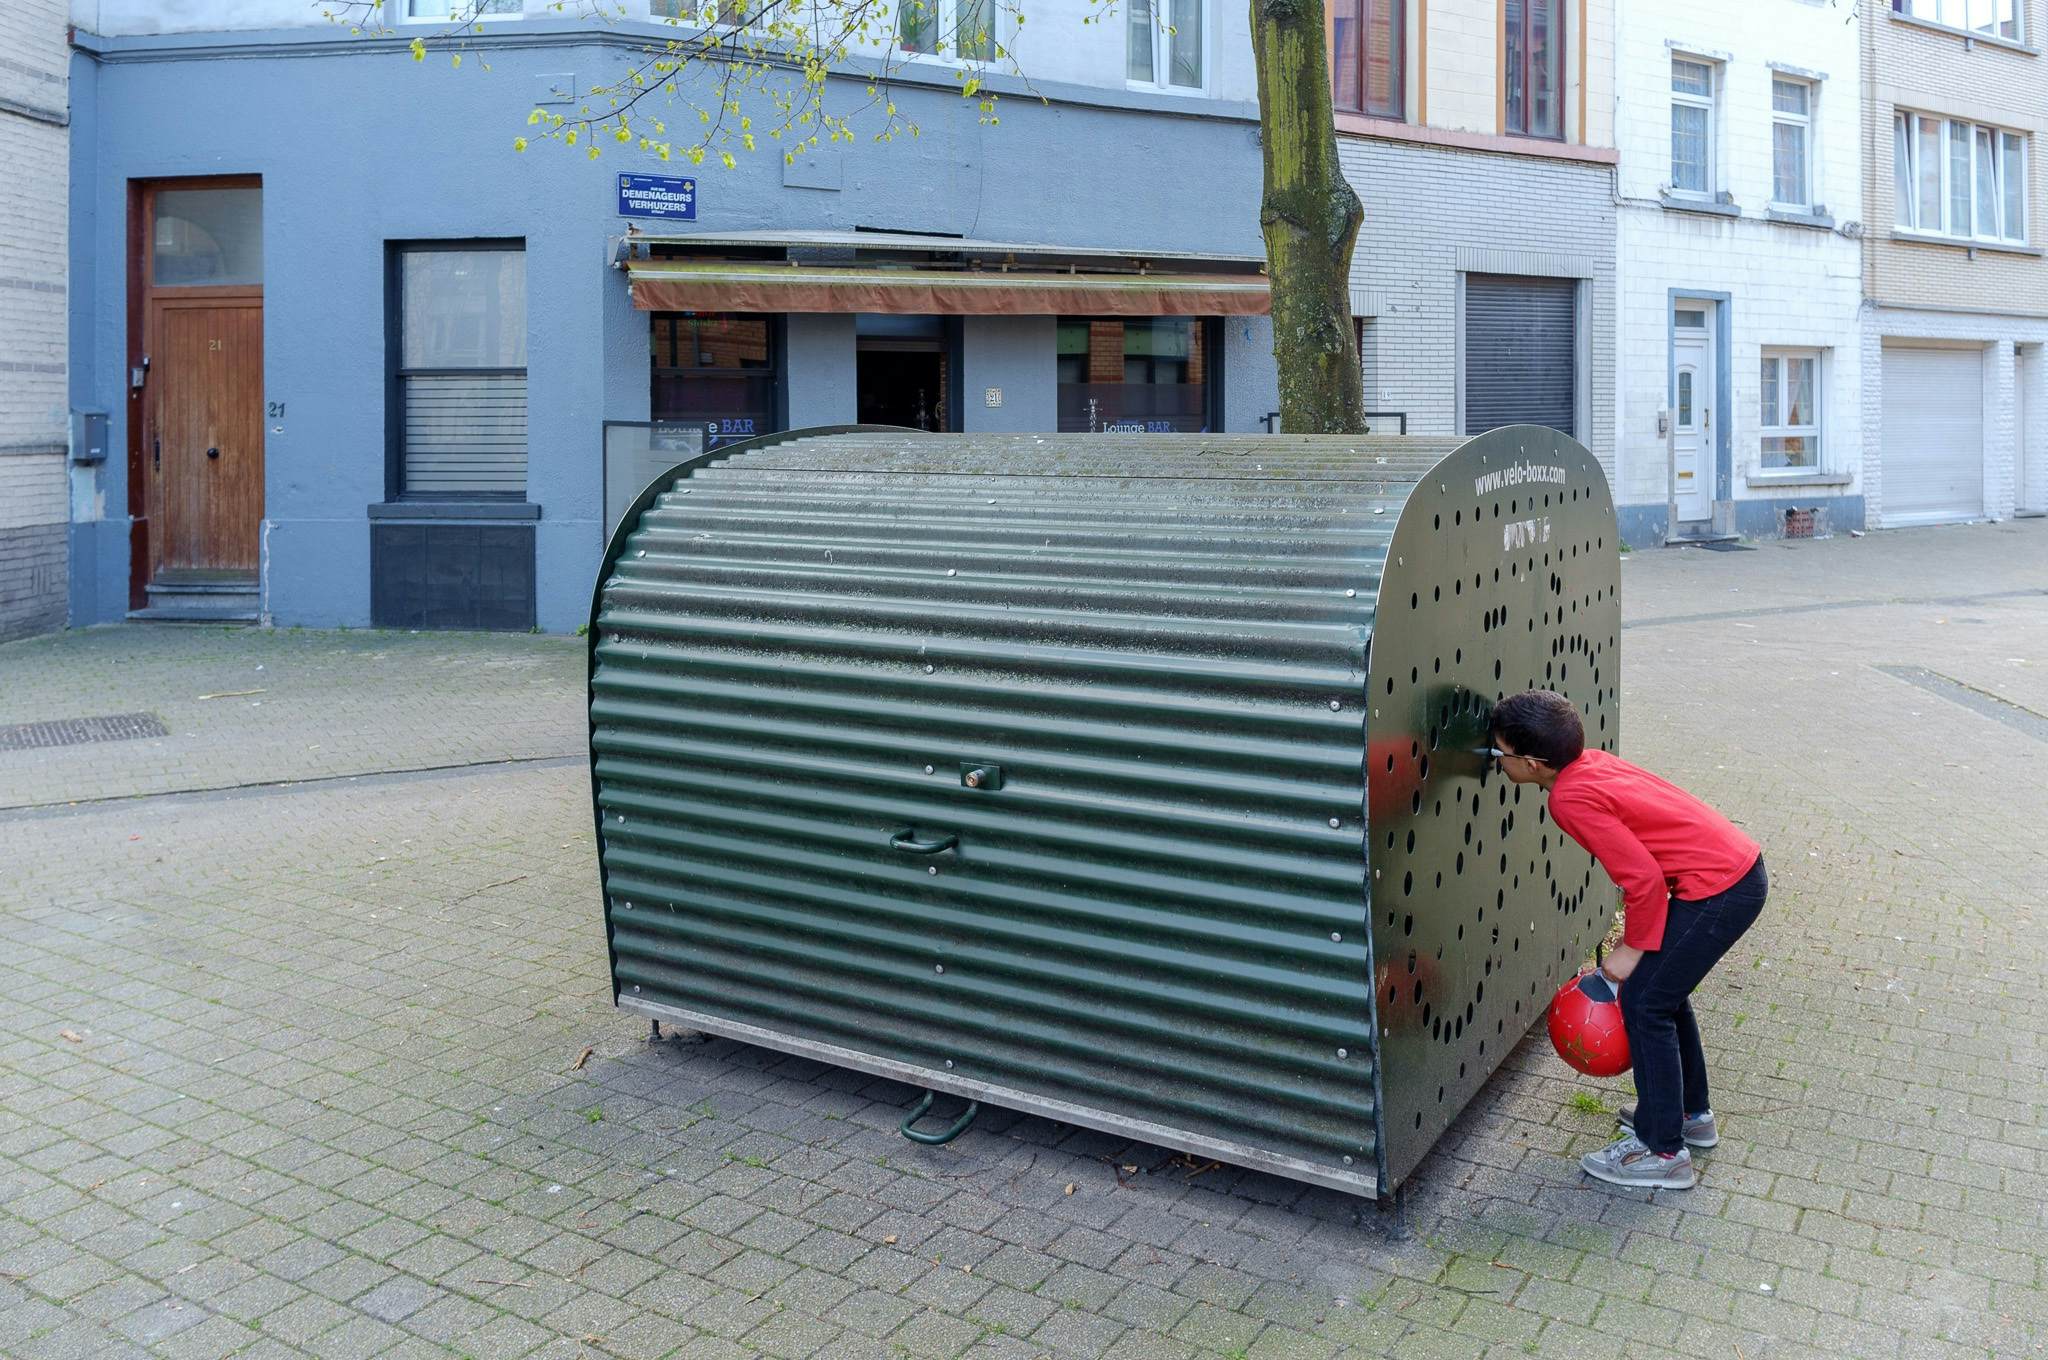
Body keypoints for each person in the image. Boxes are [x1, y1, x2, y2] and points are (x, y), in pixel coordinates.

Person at [1489, 690, 1767, 1191]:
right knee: (1661, 994)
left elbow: (1642, 879)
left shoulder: (1568, 798)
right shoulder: (1588, 765)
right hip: (1731, 874)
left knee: (1645, 1003)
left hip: (1720, 890)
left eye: (1499, 754)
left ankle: (1661, 1151)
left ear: (1530, 764)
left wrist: (1629, 949)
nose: (1497, 761)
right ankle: (1688, 1115)